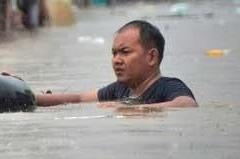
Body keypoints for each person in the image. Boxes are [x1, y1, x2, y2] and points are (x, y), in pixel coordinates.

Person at [33, 20, 197, 108]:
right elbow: (79, 98)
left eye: (125, 52)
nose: (116, 60)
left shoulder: (168, 87)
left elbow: (187, 104)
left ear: (152, 57)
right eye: (114, 53)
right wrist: (29, 96)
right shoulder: (121, 89)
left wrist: (133, 109)